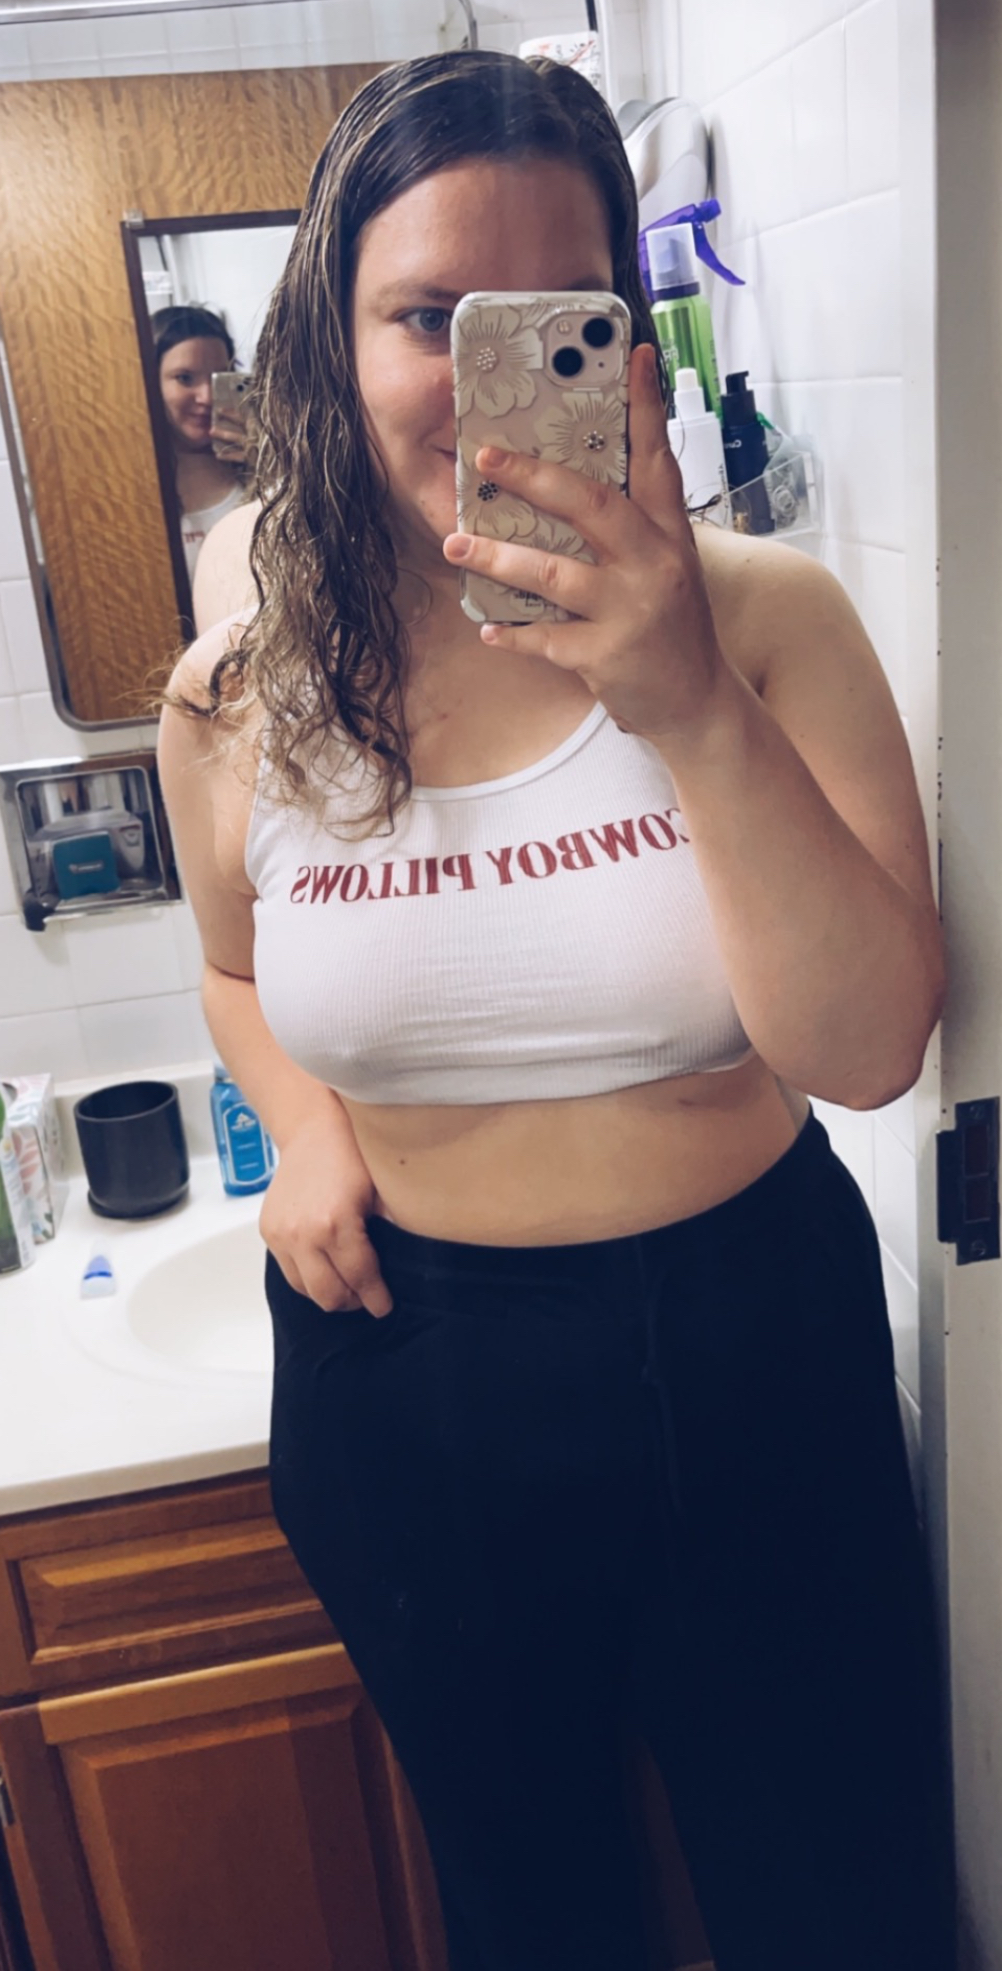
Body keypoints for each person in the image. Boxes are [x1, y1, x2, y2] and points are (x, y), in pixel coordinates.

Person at [158, 51, 955, 1971]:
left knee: (841, 1906)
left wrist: (682, 700)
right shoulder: (238, 693)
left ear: (624, 337)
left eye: (551, 312)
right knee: (533, 1915)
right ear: (329, 335)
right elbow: (236, 969)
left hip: (748, 1338)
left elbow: (865, 1050)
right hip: (403, 1369)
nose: (478, 370)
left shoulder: (768, 621)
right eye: (425, 314)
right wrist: (307, 1130)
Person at [150, 304, 250, 581]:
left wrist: (268, 465)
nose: (207, 396)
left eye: (218, 377)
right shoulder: (133, 482)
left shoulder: (256, 466)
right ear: (149, 381)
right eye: (185, 378)